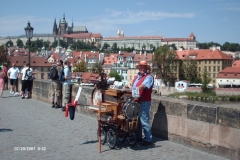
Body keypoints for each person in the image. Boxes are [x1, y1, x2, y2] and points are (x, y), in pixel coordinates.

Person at [132, 60, 154, 146]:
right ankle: (138, 137)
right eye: (141, 67)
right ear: (139, 68)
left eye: (144, 67)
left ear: (146, 69)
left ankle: (148, 139)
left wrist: (133, 90)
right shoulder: (136, 77)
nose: (142, 69)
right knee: (137, 120)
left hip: (144, 101)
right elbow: (133, 86)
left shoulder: (149, 77)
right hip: (136, 101)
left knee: (144, 120)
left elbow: (143, 86)